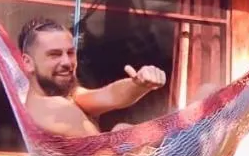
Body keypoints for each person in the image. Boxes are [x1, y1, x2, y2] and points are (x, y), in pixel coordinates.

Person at [17, 16, 167, 138]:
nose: (67, 62)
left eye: (70, 53)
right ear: (28, 63)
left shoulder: (62, 96)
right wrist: (138, 139)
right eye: (54, 55)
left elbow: (109, 95)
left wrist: (139, 84)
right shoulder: (56, 109)